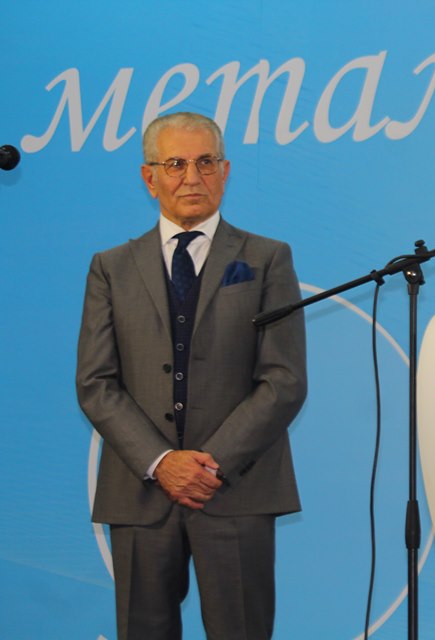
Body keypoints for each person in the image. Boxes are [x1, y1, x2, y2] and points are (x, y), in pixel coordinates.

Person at [76, 112, 307, 639]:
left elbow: (284, 379)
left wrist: (208, 465)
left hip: (236, 489)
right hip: (139, 493)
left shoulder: (268, 258)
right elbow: (96, 382)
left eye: (205, 162)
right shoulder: (110, 267)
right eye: (175, 164)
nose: (192, 177)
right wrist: (162, 463)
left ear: (225, 171)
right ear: (149, 177)